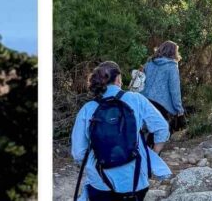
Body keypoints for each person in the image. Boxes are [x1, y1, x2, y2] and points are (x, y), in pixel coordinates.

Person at [72, 61, 172, 200]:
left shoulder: (88, 109)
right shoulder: (136, 99)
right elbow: (162, 127)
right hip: (135, 181)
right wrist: (153, 154)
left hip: (100, 183)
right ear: (118, 79)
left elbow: (78, 153)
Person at [140, 41, 185, 123]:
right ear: (173, 52)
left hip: (143, 101)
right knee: (160, 132)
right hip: (161, 105)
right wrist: (179, 109)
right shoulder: (172, 67)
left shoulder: (149, 63)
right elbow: (175, 90)